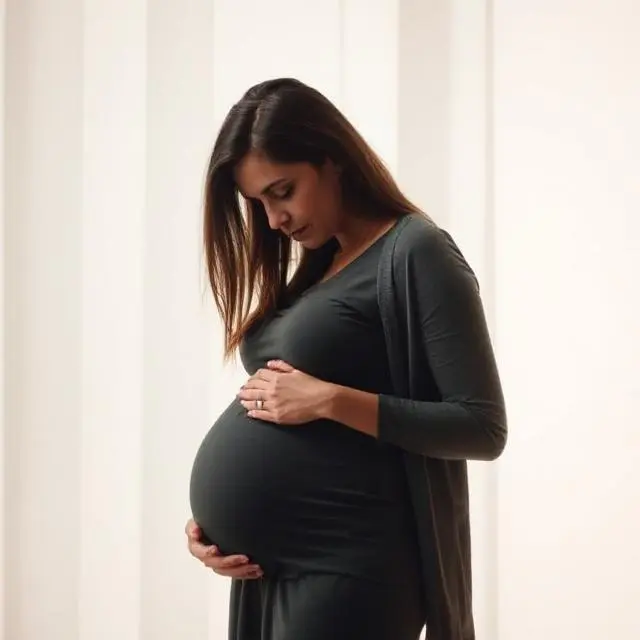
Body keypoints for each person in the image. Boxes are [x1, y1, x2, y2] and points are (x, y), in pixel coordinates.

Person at [185, 78, 507, 640]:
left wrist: (329, 400)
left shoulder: (416, 251)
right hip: (270, 576)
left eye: (283, 191)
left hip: (351, 570)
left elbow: (482, 426)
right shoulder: (320, 266)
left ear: (332, 159)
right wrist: (215, 531)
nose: (273, 220)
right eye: (258, 202)